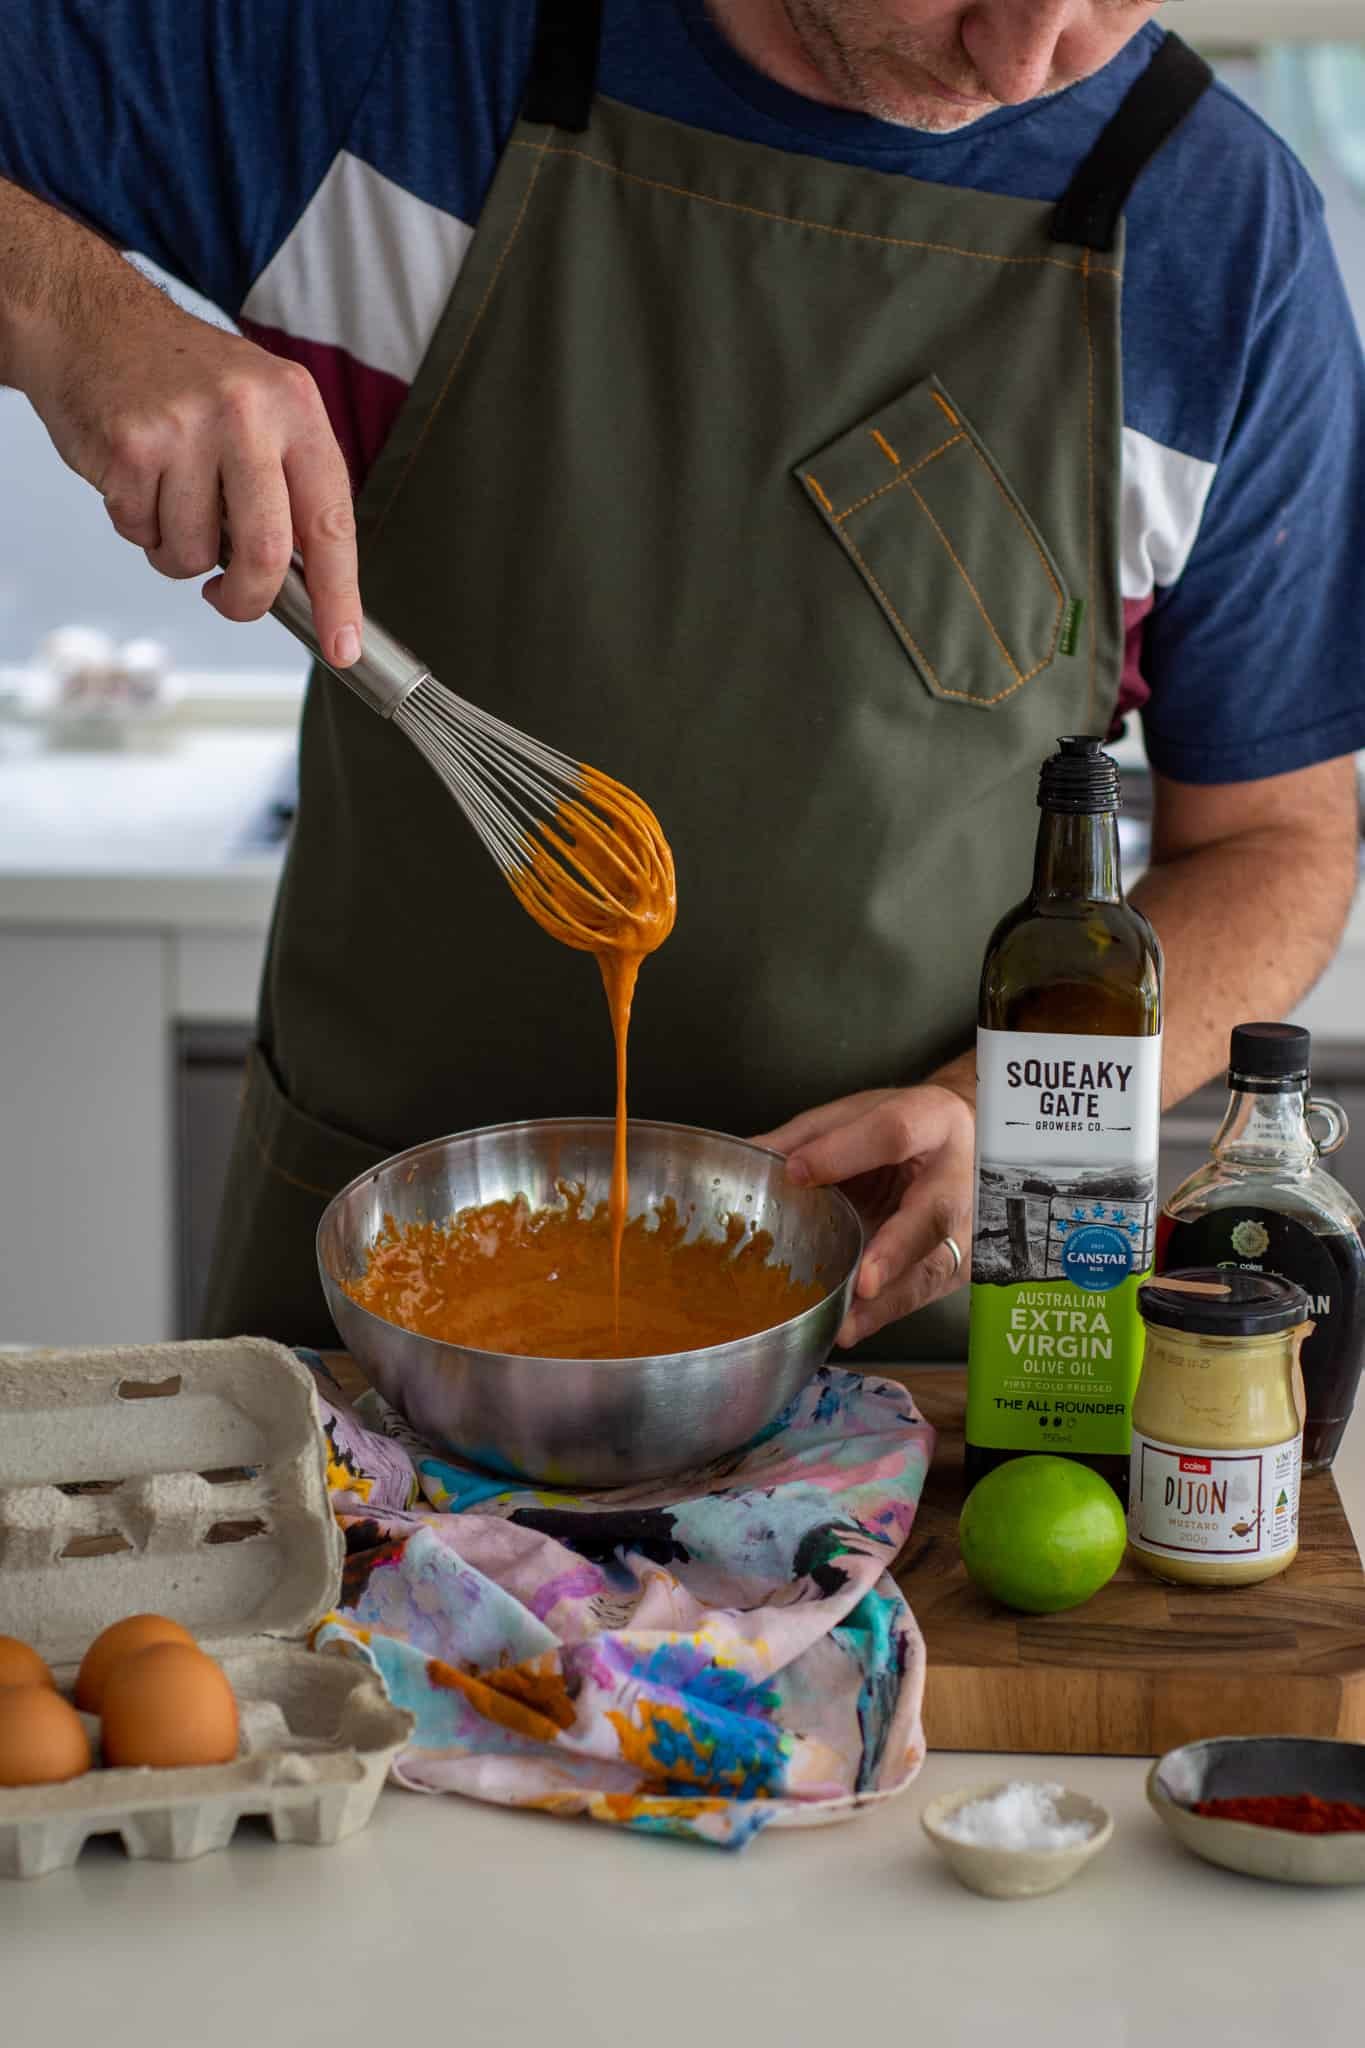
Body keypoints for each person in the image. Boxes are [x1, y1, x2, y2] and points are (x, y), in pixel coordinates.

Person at [0, 2, 1361, 1359]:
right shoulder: (387, 53)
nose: (1019, 59)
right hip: (380, 1310)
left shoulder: (1217, 235)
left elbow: (1275, 842)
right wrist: (78, 317)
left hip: (904, 1323)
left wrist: (1003, 1112)